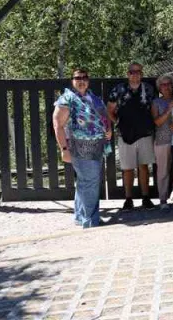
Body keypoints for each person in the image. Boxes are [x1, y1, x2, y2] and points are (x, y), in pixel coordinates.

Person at [52, 68, 112, 228]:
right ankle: (90, 220)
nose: (81, 81)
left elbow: (103, 116)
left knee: (84, 182)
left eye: (84, 77)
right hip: (80, 148)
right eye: (78, 78)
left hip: (96, 147)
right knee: (90, 182)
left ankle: (80, 217)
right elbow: (58, 125)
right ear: (72, 80)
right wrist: (64, 149)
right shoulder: (67, 99)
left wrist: (108, 129)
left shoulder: (93, 97)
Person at [107, 62, 156, 210]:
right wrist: (118, 122)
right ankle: (128, 198)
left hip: (145, 133)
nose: (135, 74)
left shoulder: (149, 89)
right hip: (125, 134)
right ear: (128, 74)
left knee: (144, 166)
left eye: (138, 71)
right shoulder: (118, 89)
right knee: (127, 168)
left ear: (142, 73)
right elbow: (109, 109)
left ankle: (145, 197)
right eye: (132, 72)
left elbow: (153, 109)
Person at [151, 74, 173, 208]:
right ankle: (163, 199)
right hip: (162, 140)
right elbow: (157, 122)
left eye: (168, 84)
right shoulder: (156, 102)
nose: (166, 87)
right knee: (163, 171)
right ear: (159, 88)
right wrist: (168, 110)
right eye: (163, 84)